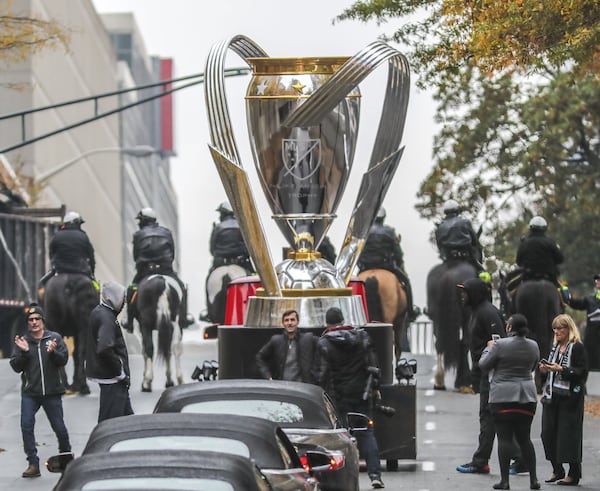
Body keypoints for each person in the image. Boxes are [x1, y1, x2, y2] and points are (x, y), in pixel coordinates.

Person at [317, 307, 385, 489]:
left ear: (327, 323)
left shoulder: (324, 343)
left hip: (339, 396)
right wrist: (375, 388)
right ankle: (375, 475)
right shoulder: (362, 337)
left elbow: (323, 374)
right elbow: (373, 366)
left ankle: (345, 478)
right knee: (367, 433)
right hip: (361, 394)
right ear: (342, 320)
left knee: (342, 437)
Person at [9, 303, 71, 478]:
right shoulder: (23, 341)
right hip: (31, 393)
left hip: (52, 392)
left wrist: (52, 353)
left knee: (59, 427)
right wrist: (24, 352)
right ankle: (33, 464)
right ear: (27, 323)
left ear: (43, 321)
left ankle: (66, 458)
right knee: (26, 426)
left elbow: (63, 360)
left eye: (37, 319)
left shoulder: (55, 338)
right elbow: (15, 366)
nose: (34, 322)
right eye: (31, 320)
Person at [479, 313, 541, 490]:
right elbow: (533, 366)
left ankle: (505, 481)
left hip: (503, 397)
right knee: (525, 439)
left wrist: (488, 348)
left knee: (504, 439)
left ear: (509, 328)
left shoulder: (499, 345)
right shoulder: (533, 345)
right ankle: (534, 480)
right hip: (527, 398)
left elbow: (483, 365)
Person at [456, 277, 505, 475]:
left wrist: (487, 368)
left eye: (465, 292)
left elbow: (499, 344)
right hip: (484, 372)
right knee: (495, 416)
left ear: (474, 293)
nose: (462, 296)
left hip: (493, 374)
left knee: (488, 415)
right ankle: (518, 459)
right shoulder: (476, 311)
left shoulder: (488, 312)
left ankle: (481, 461)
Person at [539, 313, 588, 486]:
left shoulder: (577, 347)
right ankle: (557, 468)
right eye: (555, 328)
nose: (557, 331)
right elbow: (550, 373)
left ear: (569, 329)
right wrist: (545, 370)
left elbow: (582, 372)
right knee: (547, 433)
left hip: (570, 398)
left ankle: (574, 473)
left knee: (569, 436)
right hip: (552, 396)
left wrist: (562, 370)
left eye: (561, 328)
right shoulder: (555, 348)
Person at [125, 207, 186, 331]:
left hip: (145, 271)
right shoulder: (167, 232)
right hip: (166, 270)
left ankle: (129, 321)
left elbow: (136, 256)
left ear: (143, 221)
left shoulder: (138, 235)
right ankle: (185, 318)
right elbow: (172, 253)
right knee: (182, 288)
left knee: (132, 289)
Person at [357, 207, 417, 321]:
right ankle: (411, 311)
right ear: (383, 218)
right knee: (407, 283)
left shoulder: (364, 232)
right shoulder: (389, 231)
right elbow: (398, 253)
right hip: (386, 266)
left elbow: (358, 252)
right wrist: (399, 264)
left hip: (366, 267)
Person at [87, 281, 134, 422]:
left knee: (126, 420)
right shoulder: (107, 318)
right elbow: (104, 348)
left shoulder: (101, 313)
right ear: (114, 297)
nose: (125, 301)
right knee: (111, 422)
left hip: (113, 379)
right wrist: (119, 371)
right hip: (113, 379)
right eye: (122, 297)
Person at [255, 309, 319, 383]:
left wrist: (317, 374)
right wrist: (268, 377)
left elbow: (324, 346)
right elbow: (260, 357)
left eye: (292, 320)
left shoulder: (308, 338)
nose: (289, 323)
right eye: (286, 320)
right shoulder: (276, 340)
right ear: (283, 323)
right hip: (283, 388)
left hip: (304, 388)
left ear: (297, 322)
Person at [39, 211, 96, 289]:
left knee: (41, 285)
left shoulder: (57, 236)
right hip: (81, 271)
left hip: (60, 271)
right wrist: (92, 273)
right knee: (96, 287)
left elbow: (51, 255)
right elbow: (91, 257)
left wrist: (53, 268)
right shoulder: (83, 237)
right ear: (76, 223)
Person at [435, 199, 482, 271]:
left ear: (445, 212)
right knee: (484, 276)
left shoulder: (440, 228)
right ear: (457, 210)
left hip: (448, 259)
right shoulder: (465, 222)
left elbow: (439, 247)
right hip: (466, 257)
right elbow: (475, 242)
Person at [516, 216, 564, 285]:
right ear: (544, 229)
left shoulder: (524, 243)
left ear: (531, 228)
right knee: (564, 292)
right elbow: (560, 259)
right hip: (549, 278)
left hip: (527, 278)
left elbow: (518, 262)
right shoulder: (550, 242)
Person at [567, 273, 600, 370]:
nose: (597, 281)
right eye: (597, 280)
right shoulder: (590, 298)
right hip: (592, 337)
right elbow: (577, 304)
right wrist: (568, 298)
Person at [209, 201, 252, 272]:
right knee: (254, 277)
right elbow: (249, 247)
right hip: (242, 263)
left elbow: (212, 249)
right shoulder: (242, 227)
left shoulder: (218, 228)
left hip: (220, 263)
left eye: (220, 213)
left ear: (223, 214)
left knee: (209, 278)